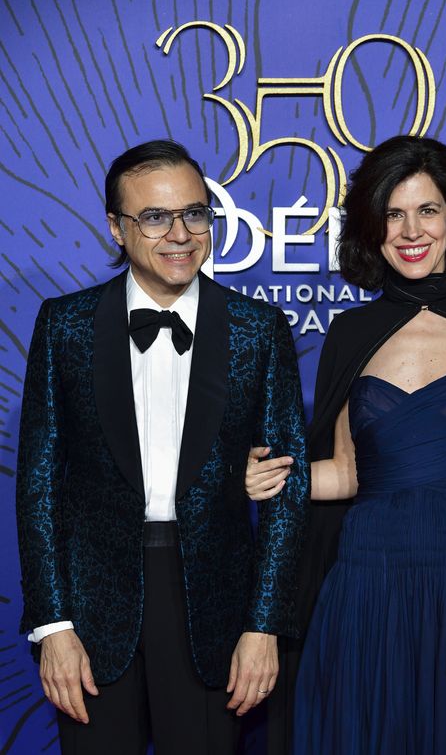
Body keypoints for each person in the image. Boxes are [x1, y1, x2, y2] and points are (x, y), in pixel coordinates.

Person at [246, 136, 446, 754]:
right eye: (393, 214)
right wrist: (278, 477)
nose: (410, 230)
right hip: (367, 582)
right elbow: (346, 472)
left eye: (427, 210)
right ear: (373, 227)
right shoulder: (350, 334)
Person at [16, 139, 309, 755]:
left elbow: (288, 488)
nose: (180, 233)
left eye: (195, 213)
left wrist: (264, 624)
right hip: (91, 612)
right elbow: (39, 484)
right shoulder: (63, 325)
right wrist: (52, 625)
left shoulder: (260, 331)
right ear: (116, 229)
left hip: (215, 610)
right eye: (154, 217)